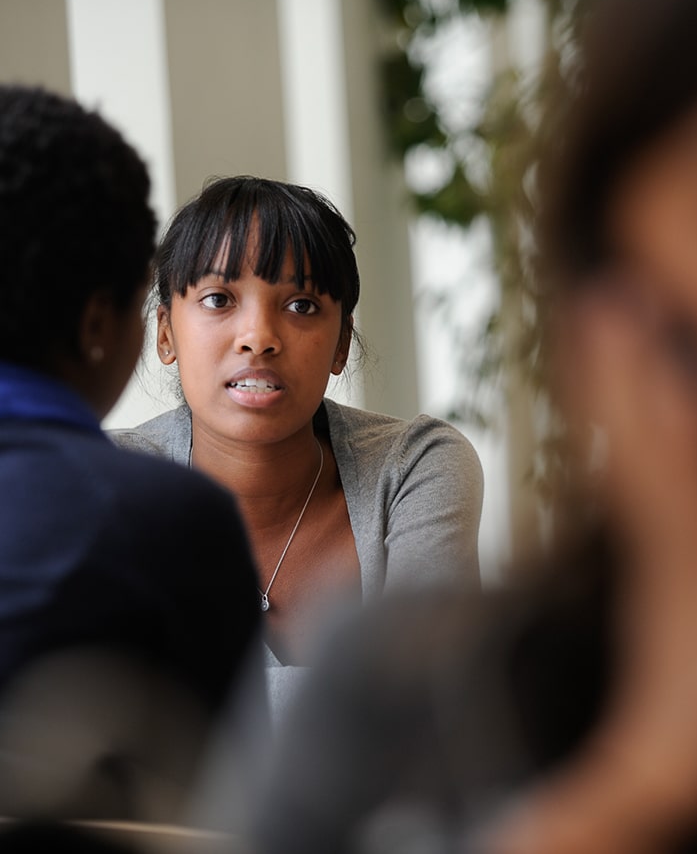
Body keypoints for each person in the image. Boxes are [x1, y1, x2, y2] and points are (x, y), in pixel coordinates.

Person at [246, 0, 697, 852]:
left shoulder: (412, 461)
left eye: (302, 305)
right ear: (608, 290)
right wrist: (653, 769)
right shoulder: (413, 694)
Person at [113, 176, 483, 715]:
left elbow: (425, 704)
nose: (259, 336)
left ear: (340, 343)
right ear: (165, 332)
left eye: (302, 305)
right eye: (219, 299)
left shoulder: (414, 468)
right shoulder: (108, 480)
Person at [0, 85, 265, 831]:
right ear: (99, 324)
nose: (256, 336)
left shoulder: (410, 464)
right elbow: (241, 825)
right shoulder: (164, 519)